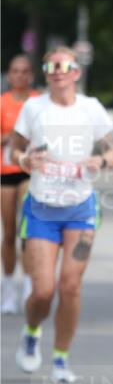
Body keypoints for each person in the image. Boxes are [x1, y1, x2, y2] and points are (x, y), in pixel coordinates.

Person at [9, 46, 113, 383]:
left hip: (80, 209)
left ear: (76, 72)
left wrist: (99, 161)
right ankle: (31, 332)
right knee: (43, 291)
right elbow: (12, 149)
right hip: (42, 208)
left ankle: (60, 358)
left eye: (64, 65)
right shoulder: (33, 107)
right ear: (46, 73)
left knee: (70, 287)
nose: (58, 71)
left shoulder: (91, 108)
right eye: (51, 66)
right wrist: (25, 160)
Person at [1, 55, 39, 313]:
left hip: (30, 171)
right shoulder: (2, 103)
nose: (20, 76)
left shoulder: (39, 102)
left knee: (28, 230)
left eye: (25, 71)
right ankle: (7, 290)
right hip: (5, 171)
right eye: (15, 71)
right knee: (9, 232)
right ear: (8, 75)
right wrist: (11, 137)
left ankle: (28, 286)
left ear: (31, 75)